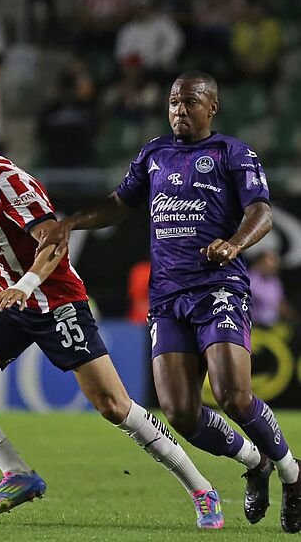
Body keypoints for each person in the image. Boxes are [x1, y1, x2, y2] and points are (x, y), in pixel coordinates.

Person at [0, 101, 224, 528]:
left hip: (56, 301)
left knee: (115, 406)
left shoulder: (10, 184)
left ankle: (202, 489)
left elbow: (54, 243)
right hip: (10, 303)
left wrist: (25, 285)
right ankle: (16, 473)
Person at [38, 71, 301, 533]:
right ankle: (255, 462)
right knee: (179, 411)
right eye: (174, 102)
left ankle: (293, 475)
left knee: (233, 396)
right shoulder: (154, 153)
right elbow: (120, 203)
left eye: (190, 102)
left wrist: (235, 244)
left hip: (218, 286)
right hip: (168, 297)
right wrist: (71, 223)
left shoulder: (232, 153)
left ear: (211, 107)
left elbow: (262, 211)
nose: (179, 110)